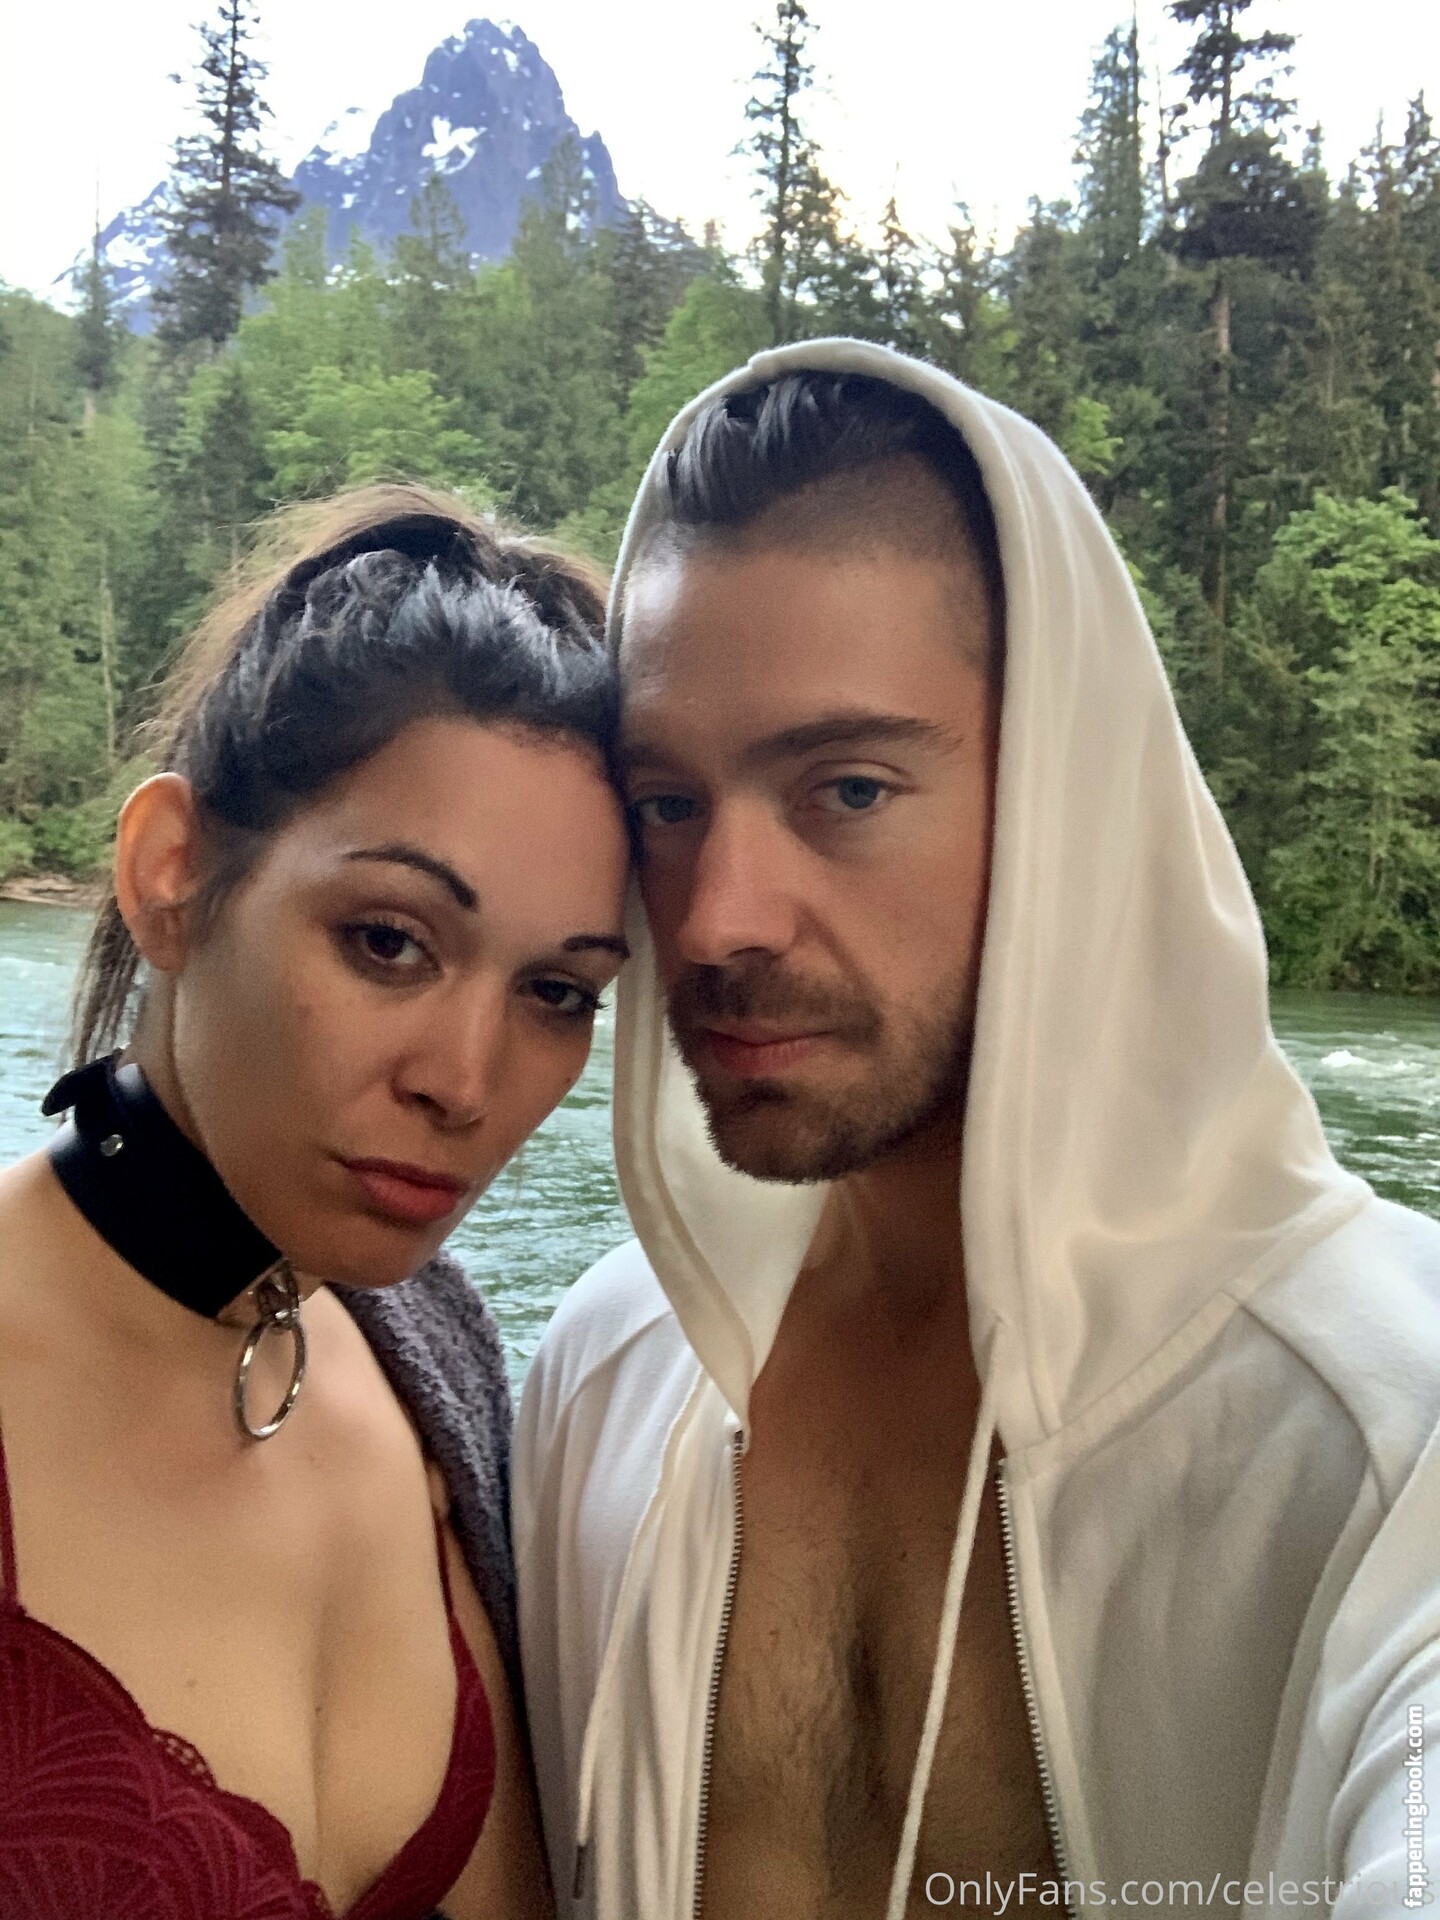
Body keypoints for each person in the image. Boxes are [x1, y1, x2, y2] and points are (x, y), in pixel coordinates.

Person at [514, 343, 1440, 1920]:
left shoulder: (1391, 1434)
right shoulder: (605, 1380)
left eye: (848, 790)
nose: (717, 921)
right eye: (668, 805)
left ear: (1068, 793)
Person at [0, 483, 631, 1920]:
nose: (466, 1082)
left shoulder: (438, 1367)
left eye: (557, 992)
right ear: (170, 876)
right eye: (390, 941)